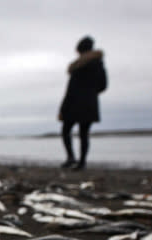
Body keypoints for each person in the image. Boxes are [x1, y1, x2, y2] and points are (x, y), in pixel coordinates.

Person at [58, 36, 107, 170]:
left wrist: (63, 108)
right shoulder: (98, 64)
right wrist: (91, 93)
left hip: (74, 102)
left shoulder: (78, 66)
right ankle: (81, 162)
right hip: (89, 103)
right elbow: (103, 85)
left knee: (67, 130)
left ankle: (71, 157)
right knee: (83, 133)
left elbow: (70, 89)